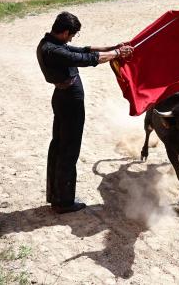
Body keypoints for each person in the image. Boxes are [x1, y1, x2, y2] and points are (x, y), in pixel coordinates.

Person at [36, 12, 133, 213]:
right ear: (64, 32)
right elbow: (86, 58)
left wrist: (114, 47)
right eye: (71, 34)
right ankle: (63, 202)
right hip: (69, 101)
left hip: (62, 98)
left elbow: (84, 49)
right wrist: (117, 54)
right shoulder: (53, 50)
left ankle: (57, 196)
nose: (72, 38)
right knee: (68, 149)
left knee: (59, 145)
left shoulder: (49, 43)